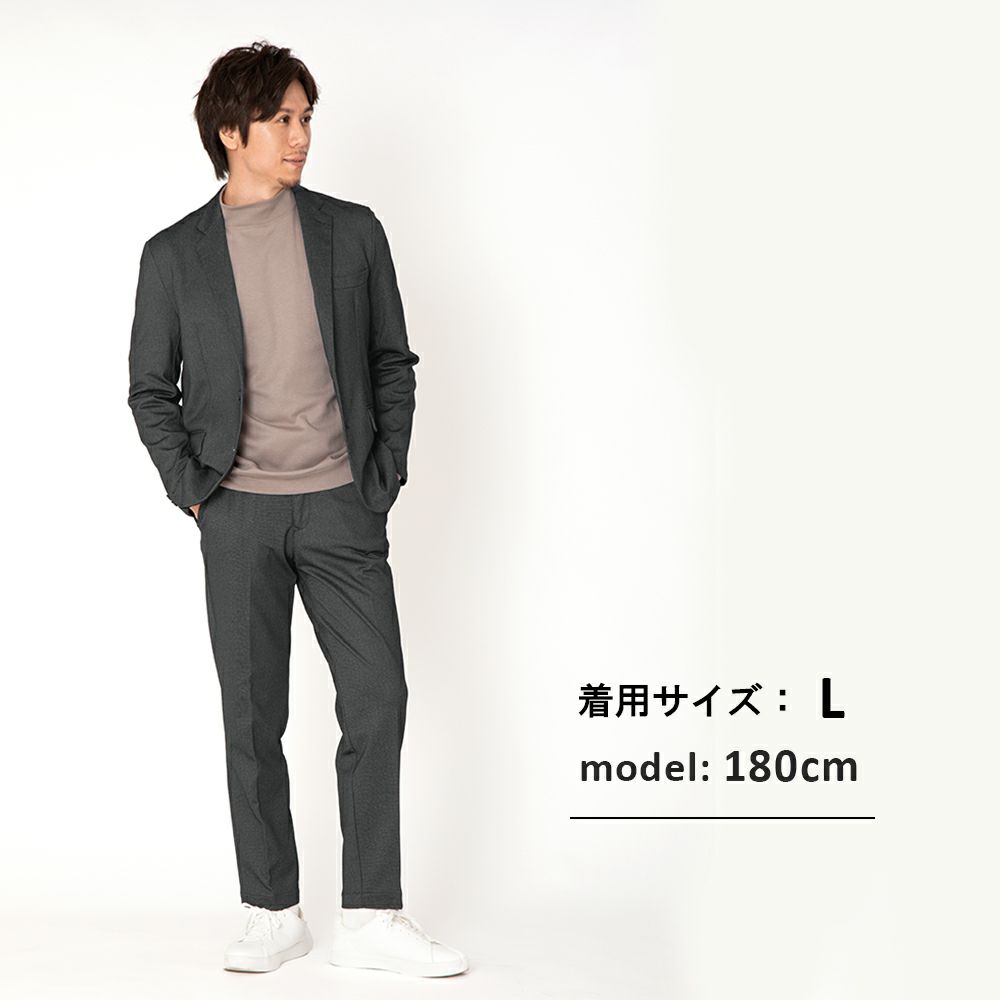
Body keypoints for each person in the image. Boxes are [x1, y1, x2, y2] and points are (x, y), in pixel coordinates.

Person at [127, 40, 467, 978]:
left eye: (306, 117)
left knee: (378, 697)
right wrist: (195, 492)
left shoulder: (351, 232)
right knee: (252, 718)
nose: (300, 135)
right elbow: (150, 388)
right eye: (281, 118)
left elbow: (392, 362)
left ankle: (372, 913)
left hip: (340, 508)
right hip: (236, 512)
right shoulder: (174, 256)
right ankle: (272, 909)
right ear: (230, 133)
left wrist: (380, 478)